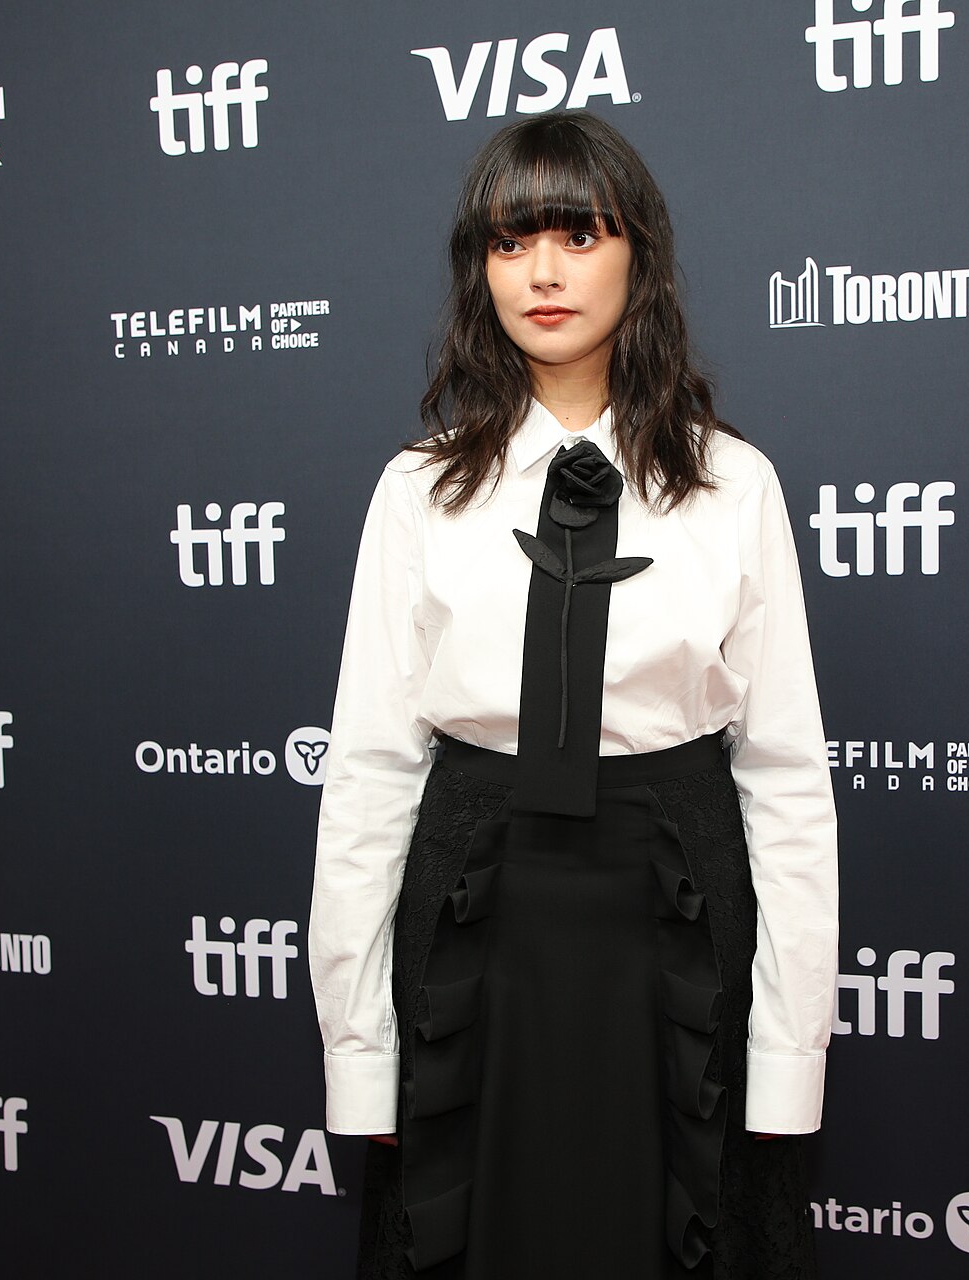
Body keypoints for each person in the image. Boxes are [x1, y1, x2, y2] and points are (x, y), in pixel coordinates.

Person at [309, 111, 838, 1279]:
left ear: (637, 253)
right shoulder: (418, 494)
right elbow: (371, 776)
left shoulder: (733, 485)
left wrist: (787, 1058)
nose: (543, 271)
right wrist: (362, 1050)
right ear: (477, 271)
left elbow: (787, 781)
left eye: (577, 233)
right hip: (473, 924)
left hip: (677, 918)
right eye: (510, 242)